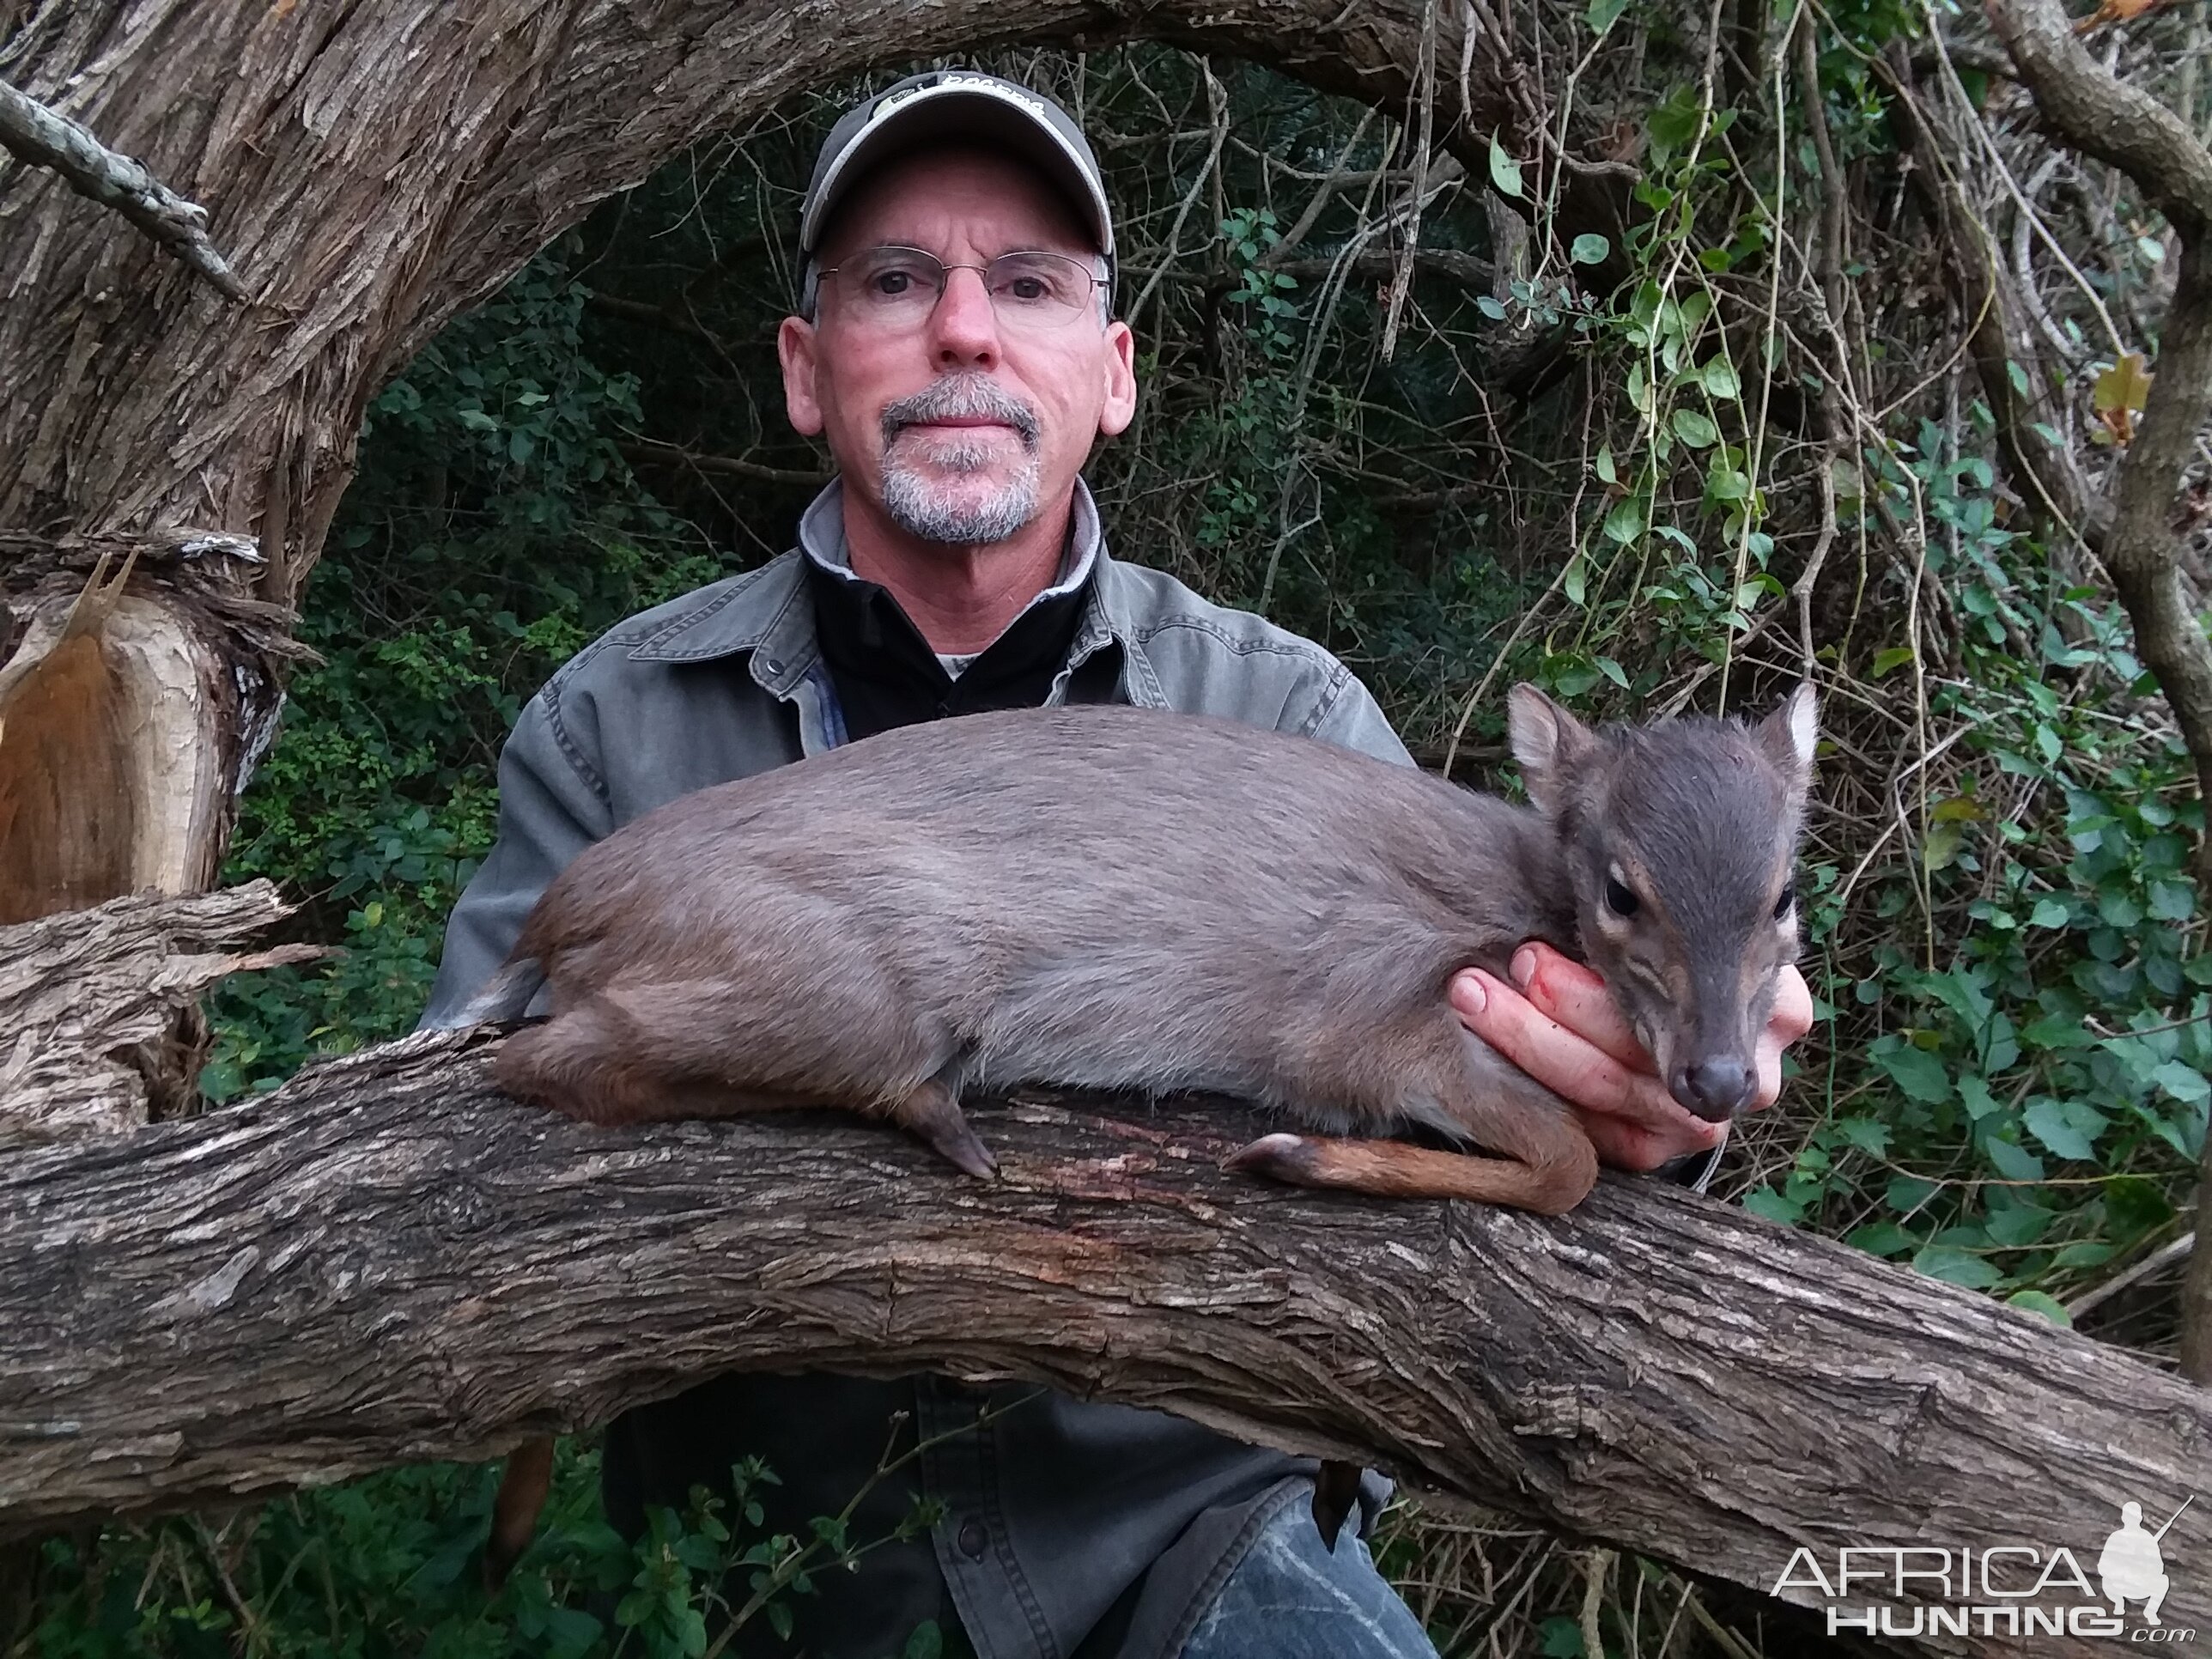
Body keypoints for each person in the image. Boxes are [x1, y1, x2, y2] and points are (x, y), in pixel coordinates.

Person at [420, 70, 1813, 1659]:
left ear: (1116, 369)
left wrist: (1656, 1102)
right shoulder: (617, 721)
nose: (964, 329)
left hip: (1186, 1542)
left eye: (1027, 285)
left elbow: (1522, 1003)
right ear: (806, 370)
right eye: (896, 282)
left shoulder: (1283, 707)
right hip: (778, 1575)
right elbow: (462, 1099)